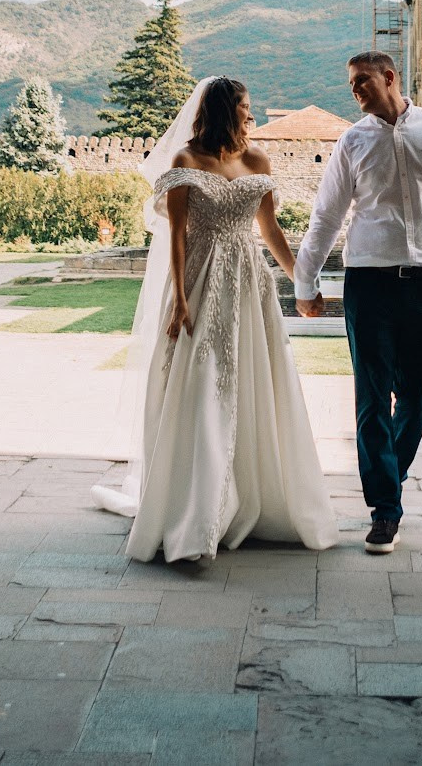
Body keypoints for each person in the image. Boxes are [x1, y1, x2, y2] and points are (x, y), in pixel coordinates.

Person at [92, 77, 339, 562]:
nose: (251, 113)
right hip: (199, 278)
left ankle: (252, 499)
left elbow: (269, 230)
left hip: (248, 282)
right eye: (244, 106)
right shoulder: (186, 160)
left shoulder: (257, 160)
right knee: (201, 381)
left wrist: (302, 283)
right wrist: (181, 299)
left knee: (251, 379)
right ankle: (195, 508)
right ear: (225, 110)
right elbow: (177, 236)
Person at [293, 51, 422, 554]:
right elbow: (326, 216)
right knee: (372, 398)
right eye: (351, 84)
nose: (355, 90)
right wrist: (305, 283)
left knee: (418, 396)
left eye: (362, 81)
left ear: (389, 77)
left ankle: (386, 477)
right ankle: (384, 510)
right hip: (369, 284)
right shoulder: (352, 141)